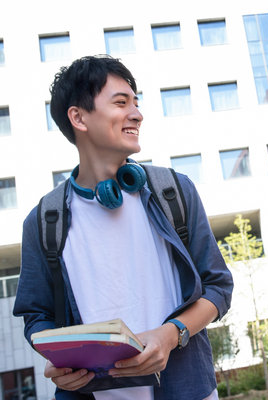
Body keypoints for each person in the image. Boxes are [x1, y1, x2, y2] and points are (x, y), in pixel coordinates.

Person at [13, 55, 233, 400]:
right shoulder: (43, 221)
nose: (137, 114)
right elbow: (36, 317)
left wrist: (172, 333)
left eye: (136, 103)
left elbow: (218, 287)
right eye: (121, 102)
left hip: (188, 391)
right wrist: (58, 362)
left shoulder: (174, 192)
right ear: (78, 117)